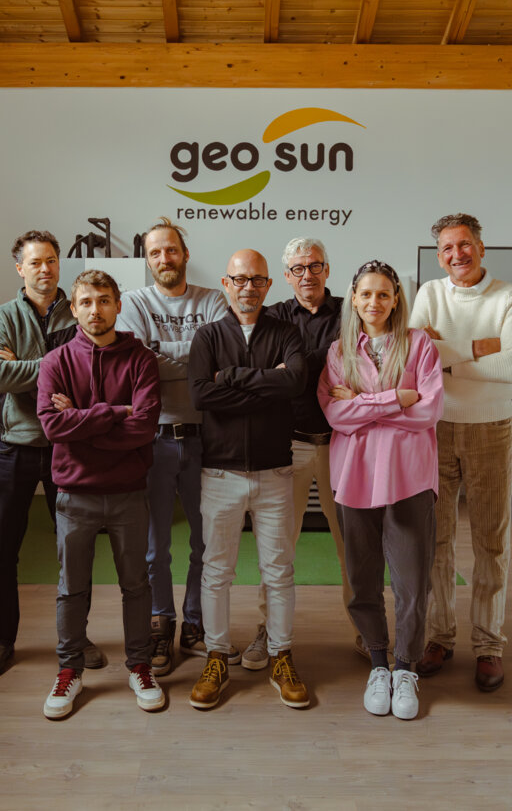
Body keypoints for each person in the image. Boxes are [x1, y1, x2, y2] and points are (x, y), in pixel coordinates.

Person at [410, 214, 512, 691]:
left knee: (491, 542)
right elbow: (418, 357)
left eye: (464, 245)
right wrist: (481, 348)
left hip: (492, 430)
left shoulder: (511, 297)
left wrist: (449, 356)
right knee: (436, 541)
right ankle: (440, 636)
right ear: (440, 257)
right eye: (447, 248)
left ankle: (488, 644)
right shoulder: (429, 294)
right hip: (435, 430)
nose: (456, 254)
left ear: (481, 248)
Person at [318, 260, 443, 720]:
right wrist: (394, 398)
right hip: (355, 477)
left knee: (411, 580)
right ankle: (377, 663)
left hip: (409, 477)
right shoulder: (338, 352)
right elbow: (336, 415)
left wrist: (362, 405)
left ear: (395, 300)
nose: (375, 301)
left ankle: (405, 667)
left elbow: (428, 411)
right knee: (362, 577)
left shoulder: (419, 345)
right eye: (366, 293)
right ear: (353, 299)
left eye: (384, 294)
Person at [37, 270, 164, 719]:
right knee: (72, 588)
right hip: (74, 494)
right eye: (87, 302)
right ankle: (69, 670)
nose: (96, 310)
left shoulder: (141, 360)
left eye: (104, 300)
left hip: (129, 492)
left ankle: (140, 666)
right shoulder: (55, 362)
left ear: (118, 305)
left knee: (136, 585)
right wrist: (114, 412)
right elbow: (52, 427)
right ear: (74, 309)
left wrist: (83, 420)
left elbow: (143, 428)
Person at [0, 230, 103, 681]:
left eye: (51, 260)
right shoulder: (2, 316)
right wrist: (55, 365)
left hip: (65, 447)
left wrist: (26, 366)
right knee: (1, 553)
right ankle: (1, 640)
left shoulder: (80, 310)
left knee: (75, 550)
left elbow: (89, 373)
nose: (45, 269)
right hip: (12, 447)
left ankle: (77, 638)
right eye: (35, 262)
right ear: (20, 269)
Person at [187, 250, 310, 710]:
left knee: (278, 571)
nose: (248, 287)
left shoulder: (286, 333)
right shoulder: (208, 335)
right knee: (217, 570)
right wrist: (265, 385)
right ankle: (217, 656)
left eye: (257, 280)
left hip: (275, 472)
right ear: (226, 283)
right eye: (240, 279)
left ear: (268, 285)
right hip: (220, 473)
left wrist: (232, 378)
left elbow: (294, 383)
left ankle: (281, 655)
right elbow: (201, 395)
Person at [116, 217, 238, 676]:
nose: (164, 258)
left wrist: (164, 354)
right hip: (155, 440)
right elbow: (139, 362)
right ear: (147, 260)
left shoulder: (213, 299)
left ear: (185, 254)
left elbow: (223, 356)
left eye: (171, 250)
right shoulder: (134, 302)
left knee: (206, 543)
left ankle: (195, 623)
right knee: (155, 547)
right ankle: (160, 623)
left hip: (207, 440)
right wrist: (197, 358)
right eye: (155, 253)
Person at [242, 237, 364, 670]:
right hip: (287, 444)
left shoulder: (352, 313)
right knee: (277, 548)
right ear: (286, 275)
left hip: (342, 444)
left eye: (314, 266)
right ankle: (268, 630)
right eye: (298, 268)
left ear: (327, 270)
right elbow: (267, 372)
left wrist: (294, 366)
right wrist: (324, 360)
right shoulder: (272, 316)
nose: (307, 275)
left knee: (353, 545)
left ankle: (366, 630)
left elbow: (356, 367)